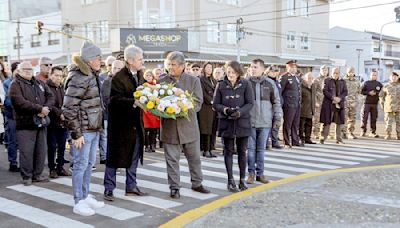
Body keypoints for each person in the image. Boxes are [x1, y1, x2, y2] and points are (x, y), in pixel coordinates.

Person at [159, 51, 210, 198]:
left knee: (194, 159)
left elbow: (198, 103)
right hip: (169, 128)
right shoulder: (162, 81)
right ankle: (174, 187)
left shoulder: (193, 81)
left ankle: (197, 183)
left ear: (182, 66)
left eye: (173, 65)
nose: (170, 67)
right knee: (172, 160)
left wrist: (182, 105)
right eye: (168, 64)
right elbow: (157, 103)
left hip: (189, 128)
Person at [63, 41, 105, 216]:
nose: (100, 60)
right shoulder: (79, 77)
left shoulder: (90, 74)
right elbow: (68, 108)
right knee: (80, 165)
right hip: (84, 130)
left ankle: (85, 195)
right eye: (98, 57)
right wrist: (76, 133)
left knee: (88, 164)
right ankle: (78, 200)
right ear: (89, 60)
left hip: (93, 128)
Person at [103, 45, 148, 202]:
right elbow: (113, 101)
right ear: (130, 60)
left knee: (134, 156)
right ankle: (109, 188)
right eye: (140, 59)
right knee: (114, 158)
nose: (143, 61)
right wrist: (133, 102)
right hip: (120, 126)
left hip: (136, 123)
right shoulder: (118, 78)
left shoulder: (140, 75)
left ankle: (131, 186)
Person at [9, 61, 55, 185]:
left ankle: (37, 175)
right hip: (25, 124)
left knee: (41, 151)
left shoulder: (39, 83)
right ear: (18, 71)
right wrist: (39, 109)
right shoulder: (15, 84)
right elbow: (19, 102)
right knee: (26, 152)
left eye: (30, 69)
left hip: (41, 121)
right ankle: (27, 176)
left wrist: (46, 109)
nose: (28, 71)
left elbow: (51, 97)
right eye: (25, 69)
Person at [213, 60, 254, 192]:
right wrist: (226, 110)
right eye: (228, 71)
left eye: (233, 72)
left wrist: (240, 112)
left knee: (242, 151)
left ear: (238, 72)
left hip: (243, 122)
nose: (230, 74)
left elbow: (250, 103)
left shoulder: (246, 84)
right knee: (228, 151)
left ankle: (242, 180)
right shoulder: (221, 85)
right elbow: (216, 104)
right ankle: (230, 180)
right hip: (226, 121)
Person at [246, 59, 281, 185]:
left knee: (261, 150)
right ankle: (250, 173)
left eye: (255, 67)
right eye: (251, 67)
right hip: (250, 122)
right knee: (250, 149)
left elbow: (276, 102)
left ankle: (260, 174)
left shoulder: (270, 83)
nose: (252, 69)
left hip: (265, 122)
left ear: (262, 69)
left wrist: (278, 118)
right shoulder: (246, 83)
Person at [47, 66, 71, 178]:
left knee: (62, 146)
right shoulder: (47, 87)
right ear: (51, 75)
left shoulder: (62, 87)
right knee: (52, 146)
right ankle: (52, 168)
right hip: (52, 122)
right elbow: (48, 104)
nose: (58, 78)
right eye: (56, 75)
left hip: (63, 122)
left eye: (61, 76)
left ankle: (60, 167)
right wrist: (58, 113)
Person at [319, 67, 348, 144]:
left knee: (339, 122)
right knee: (327, 122)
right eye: (334, 73)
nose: (335, 74)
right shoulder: (327, 80)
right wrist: (333, 98)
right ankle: (323, 138)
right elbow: (325, 91)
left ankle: (339, 138)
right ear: (331, 73)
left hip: (339, 104)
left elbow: (345, 92)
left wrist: (340, 98)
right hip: (329, 104)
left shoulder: (342, 81)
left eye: (337, 73)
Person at [280, 60, 302, 148]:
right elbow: (280, 91)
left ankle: (295, 140)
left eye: (295, 67)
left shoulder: (296, 77)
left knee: (295, 123)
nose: (294, 69)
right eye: (292, 67)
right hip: (289, 104)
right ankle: (286, 141)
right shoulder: (284, 77)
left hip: (297, 104)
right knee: (288, 123)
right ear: (287, 67)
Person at [199, 62, 218, 158]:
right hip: (206, 107)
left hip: (214, 107)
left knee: (212, 128)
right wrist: (210, 101)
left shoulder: (214, 80)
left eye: (211, 67)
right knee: (206, 128)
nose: (210, 69)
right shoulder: (201, 79)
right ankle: (206, 150)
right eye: (208, 67)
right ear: (204, 68)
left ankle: (211, 149)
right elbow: (202, 92)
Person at [4, 62, 19, 172]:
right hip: (11, 115)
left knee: (22, 141)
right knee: (12, 140)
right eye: (18, 70)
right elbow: (7, 101)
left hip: (23, 116)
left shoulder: (24, 82)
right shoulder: (7, 83)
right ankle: (12, 162)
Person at [360, 71, 383, 137]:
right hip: (366, 103)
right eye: (373, 75)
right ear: (370, 75)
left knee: (374, 118)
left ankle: (372, 132)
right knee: (364, 118)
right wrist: (369, 93)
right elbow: (361, 91)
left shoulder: (379, 84)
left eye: (375, 75)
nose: (374, 76)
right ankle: (363, 131)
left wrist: (377, 94)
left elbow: (382, 92)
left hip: (375, 104)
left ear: (377, 76)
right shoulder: (366, 83)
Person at [143, 70, 160, 153]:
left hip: (153, 110)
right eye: (147, 75)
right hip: (145, 110)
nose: (149, 77)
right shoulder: (143, 86)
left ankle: (152, 145)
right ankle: (147, 145)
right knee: (146, 129)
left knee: (153, 129)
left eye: (150, 75)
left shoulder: (156, 86)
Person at [379, 72, 400, 140]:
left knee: (399, 122)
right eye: (392, 76)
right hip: (389, 107)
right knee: (388, 122)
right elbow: (381, 96)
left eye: (395, 76)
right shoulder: (386, 86)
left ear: (398, 77)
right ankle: (388, 134)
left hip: (399, 107)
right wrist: (383, 105)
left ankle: (398, 135)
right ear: (390, 77)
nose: (394, 78)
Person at [266, 65, 283, 149]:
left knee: (276, 124)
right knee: (268, 125)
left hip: (277, 106)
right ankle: (266, 143)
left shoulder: (277, 81)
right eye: (273, 71)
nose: (275, 72)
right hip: (269, 106)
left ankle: (274, 141)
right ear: (268, 71)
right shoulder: (266, 81)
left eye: (277, 71)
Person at [342, 66, 361, 139]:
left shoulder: (357, 82)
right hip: (345, 102)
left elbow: (359, 92)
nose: (351, 73)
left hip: (353, 103)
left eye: (352, 72)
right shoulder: (343, 81)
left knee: (352, 118)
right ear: (347, 72)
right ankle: (343, 132)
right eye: (349, 72)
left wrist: (357, 101)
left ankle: (351, 132)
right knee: (344, 118)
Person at [312, 65, 329, 139]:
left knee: (326, 118)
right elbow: (314, 92)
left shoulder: (329, 80)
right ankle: (316, 133)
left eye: (326, 70)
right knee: (317, 119)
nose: (324, 71)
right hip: (319, 102)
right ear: (320, 71)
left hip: (327, 102)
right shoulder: (317, 80)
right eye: (323, 70)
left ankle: (323, 133)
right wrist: (315, 101)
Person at [300, 72, 316, 144]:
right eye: (309, 78)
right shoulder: (301, 86)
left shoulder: (312, 86)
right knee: (301, 126)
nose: (310, 80)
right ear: (305, 79)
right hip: (303, 110)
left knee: (309, 125)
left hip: (310, 109)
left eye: (311, 78)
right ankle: (301, 138)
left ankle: (307, 138)